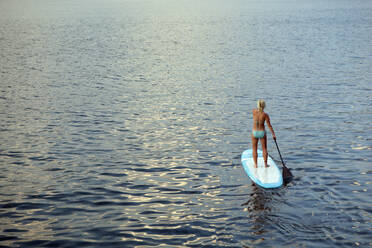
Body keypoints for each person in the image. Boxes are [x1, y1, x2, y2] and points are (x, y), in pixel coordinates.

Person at [252, 99, 276, 168]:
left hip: (255, 132)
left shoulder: (254, 111)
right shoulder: (265, 115)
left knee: (254, 149)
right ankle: (265, 164)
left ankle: (256, 165)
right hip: (262, 132)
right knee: (264, 149)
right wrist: (273, 134)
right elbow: (269, 126)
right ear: (264, 106)